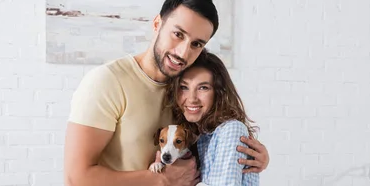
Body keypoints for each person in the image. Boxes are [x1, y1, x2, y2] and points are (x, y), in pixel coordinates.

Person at [63, 0, 270, 186]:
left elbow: (214, 143)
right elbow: (76, 177)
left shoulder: (187, 94)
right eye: (178, 34)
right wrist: (160, 180)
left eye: (196, 44)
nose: (183, 53)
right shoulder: (107, 81)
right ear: (157, 24)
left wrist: (256, 158)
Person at [163, 51, 260, 185]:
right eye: (184, 87)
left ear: (218, 92)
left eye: (203, 88)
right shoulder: (199, 135)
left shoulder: (231, 130)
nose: (192, 99)